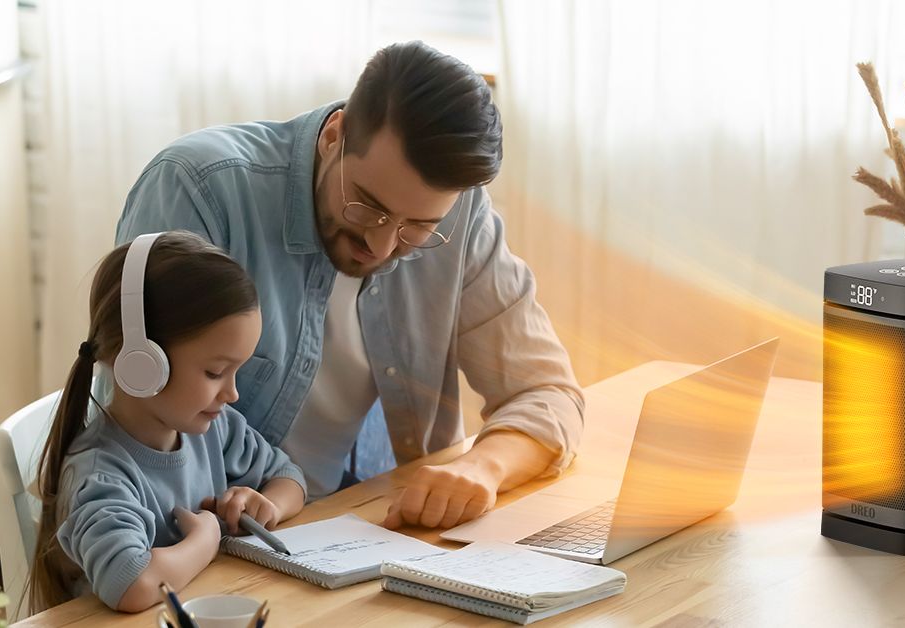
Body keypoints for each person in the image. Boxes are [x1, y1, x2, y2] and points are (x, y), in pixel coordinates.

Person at [115, 41, 583, 531]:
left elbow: (548, 393)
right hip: (219, 539)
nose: (380, 245)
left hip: (376, 527)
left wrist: (480, 467)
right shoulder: (200, 190)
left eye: (416, 227)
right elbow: (141, 413)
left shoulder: (460, 213)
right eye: (367, 205)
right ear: (334, 135)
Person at [28, 231, 307, 612]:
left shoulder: (215, 428)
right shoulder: (100, 474)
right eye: (215, 372)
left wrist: (266, 505)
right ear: (142, 364)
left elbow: (290, 477)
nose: (232, 393)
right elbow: (132, 583)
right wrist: (205, 541)